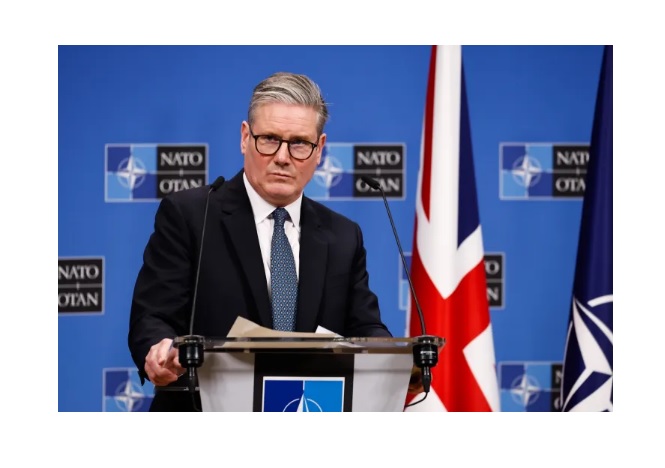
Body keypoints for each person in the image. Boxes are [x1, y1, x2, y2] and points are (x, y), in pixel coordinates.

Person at [128, 71, 393, 411]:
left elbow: (365, 326)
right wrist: (159, 350)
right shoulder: (192, 216)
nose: (282, 157)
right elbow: (153, 317)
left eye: (299, 143)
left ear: (320, 150)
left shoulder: (343, 235)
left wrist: (396, 365)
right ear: (245, 137)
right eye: (269, 139)